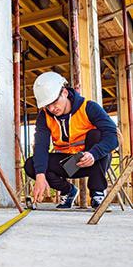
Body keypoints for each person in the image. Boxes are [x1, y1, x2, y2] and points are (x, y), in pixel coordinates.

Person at [24, 71, 118, 209]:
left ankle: (97, 193)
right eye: (47, 105)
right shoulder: (44, 117)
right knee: (31, 164)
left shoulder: (89, 107)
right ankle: (68, 191)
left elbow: (112, 136)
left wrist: (93, 154)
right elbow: (40, 146)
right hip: (69, 164)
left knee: (97, 135)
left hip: (93, 160)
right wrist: (40, 175)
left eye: (54, 102)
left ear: (65, 93)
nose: (52, 108)